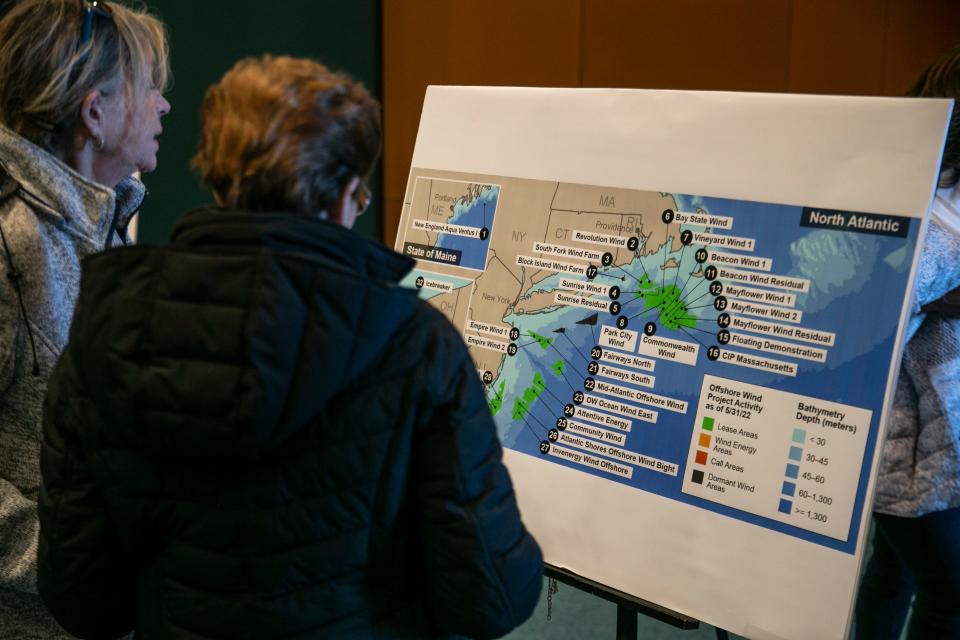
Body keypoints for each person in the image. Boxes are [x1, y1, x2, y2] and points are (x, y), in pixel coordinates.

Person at [38, 55, 543, 639]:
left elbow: (81, 601)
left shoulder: (107, 327)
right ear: (346, 195)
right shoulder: (417, 347)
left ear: (222, 180)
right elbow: (491, 599)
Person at [0, 1, 170, 637]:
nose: (163, 105)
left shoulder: (101, 224)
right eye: (149, 86)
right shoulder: (9, 239)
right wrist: (65, 565)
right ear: (94, 113)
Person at [854, 44, 960, 639]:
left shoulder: (910, 187)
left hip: (925, 439)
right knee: (947, 596)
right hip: (909, 445)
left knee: (894, 575)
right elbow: (873, 318)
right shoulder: (926, 212)